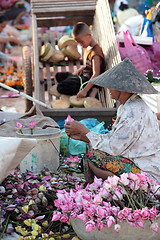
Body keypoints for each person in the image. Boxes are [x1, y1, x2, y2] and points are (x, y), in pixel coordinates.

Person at [65, 58, 160, 183]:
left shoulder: (133, 110)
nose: (109, 89)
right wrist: (84, 136)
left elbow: (114, 148)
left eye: (112, 87)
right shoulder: (126, 107)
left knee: (93, 157)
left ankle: (129, 186)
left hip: (146, 170)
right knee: (91, 153)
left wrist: (86, 133)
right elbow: (114, 139)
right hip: (137, 160)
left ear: (122, 89)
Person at [56, 22, 105, 98]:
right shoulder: (87, 46)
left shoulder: (95, 54)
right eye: (78, 43)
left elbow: (96, 75)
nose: (81, 45)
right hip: (83, 75)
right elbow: (89, 65)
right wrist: (81, 68)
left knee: (60, 87)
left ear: (89, 35)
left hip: (88, 82)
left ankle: (86, 90)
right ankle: (71, 79)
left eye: (81, 42)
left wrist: (84, 91)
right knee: (58, 76)